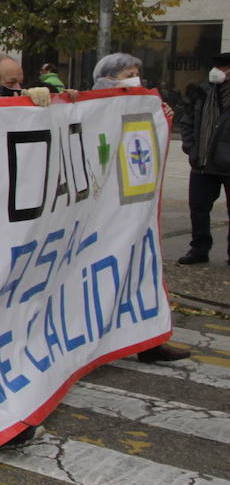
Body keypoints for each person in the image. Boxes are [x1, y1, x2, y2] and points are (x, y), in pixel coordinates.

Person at [89, 53, 189, 364]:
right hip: (104, 214)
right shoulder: (92, 107)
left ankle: (151, 339)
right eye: (127, 74)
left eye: (137, 73)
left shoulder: (141, 105)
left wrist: (161, 117)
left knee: (143, 271)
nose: (135, 79)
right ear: (107, 77)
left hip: (134, 208)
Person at [177, 51, 230, 266]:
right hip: (202, 163)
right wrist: (191, 148)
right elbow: (188, 121)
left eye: (223, 68)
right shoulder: (203, 92)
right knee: (198, 209)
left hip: (227, 163)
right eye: (216, 66)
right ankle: (199, 249)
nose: (217, 71)